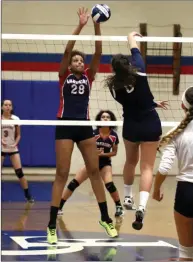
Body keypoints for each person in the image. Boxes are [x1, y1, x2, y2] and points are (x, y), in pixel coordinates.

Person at [47, 7, 117, 244]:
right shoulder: (63, 75)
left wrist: (97, 24)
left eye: (80, 60)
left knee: (95, 171)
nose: (77, 61)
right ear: (70, 64)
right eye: (75, 60)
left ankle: (106, 218)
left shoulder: (89, 76)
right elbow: (67, 49)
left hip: (84, 126)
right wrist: (81, 25)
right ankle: (51, 225)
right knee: (61, 173)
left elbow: (98, 52)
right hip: (65, 125)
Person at [105, 31, 168, 230]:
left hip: (131, 124)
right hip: (150, 123)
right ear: (129, 64)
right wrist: (131, 35)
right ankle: (142, 207)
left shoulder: (113, 87)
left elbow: (133, 102)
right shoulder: (139, 69)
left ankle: (128, 198)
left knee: (131, 162)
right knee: (147, 167)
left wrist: (151, 102)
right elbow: (134, 45)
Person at [58, 110, 124, 218]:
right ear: (99, 119)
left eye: (108, 117)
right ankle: (59, 206)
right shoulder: (93, 133)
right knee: (73, 183)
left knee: (109, 185)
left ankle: (119, 207)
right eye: (103, 117)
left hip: (105, 164)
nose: (106, 119)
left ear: (111, 120)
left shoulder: (114, 136)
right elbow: (85, 148)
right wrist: (93, 153)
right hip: (91, 163)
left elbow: (114, 152)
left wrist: (103, 154)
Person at [153, 86, 193, 261]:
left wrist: (156, 189)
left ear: (183, 106)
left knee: (185, 255)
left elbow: (163, 168)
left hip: (186, 193)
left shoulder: (176, 132)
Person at [1, 99, 34, 203]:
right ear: (2, 107)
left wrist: (15, 143)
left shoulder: (16, 119)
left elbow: (19, 134)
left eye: (9, 105)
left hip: (12, 148)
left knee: (19, 172)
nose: (7, 107)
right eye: (5, 105)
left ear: (12, 107)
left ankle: (27, 195)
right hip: (1, 148)